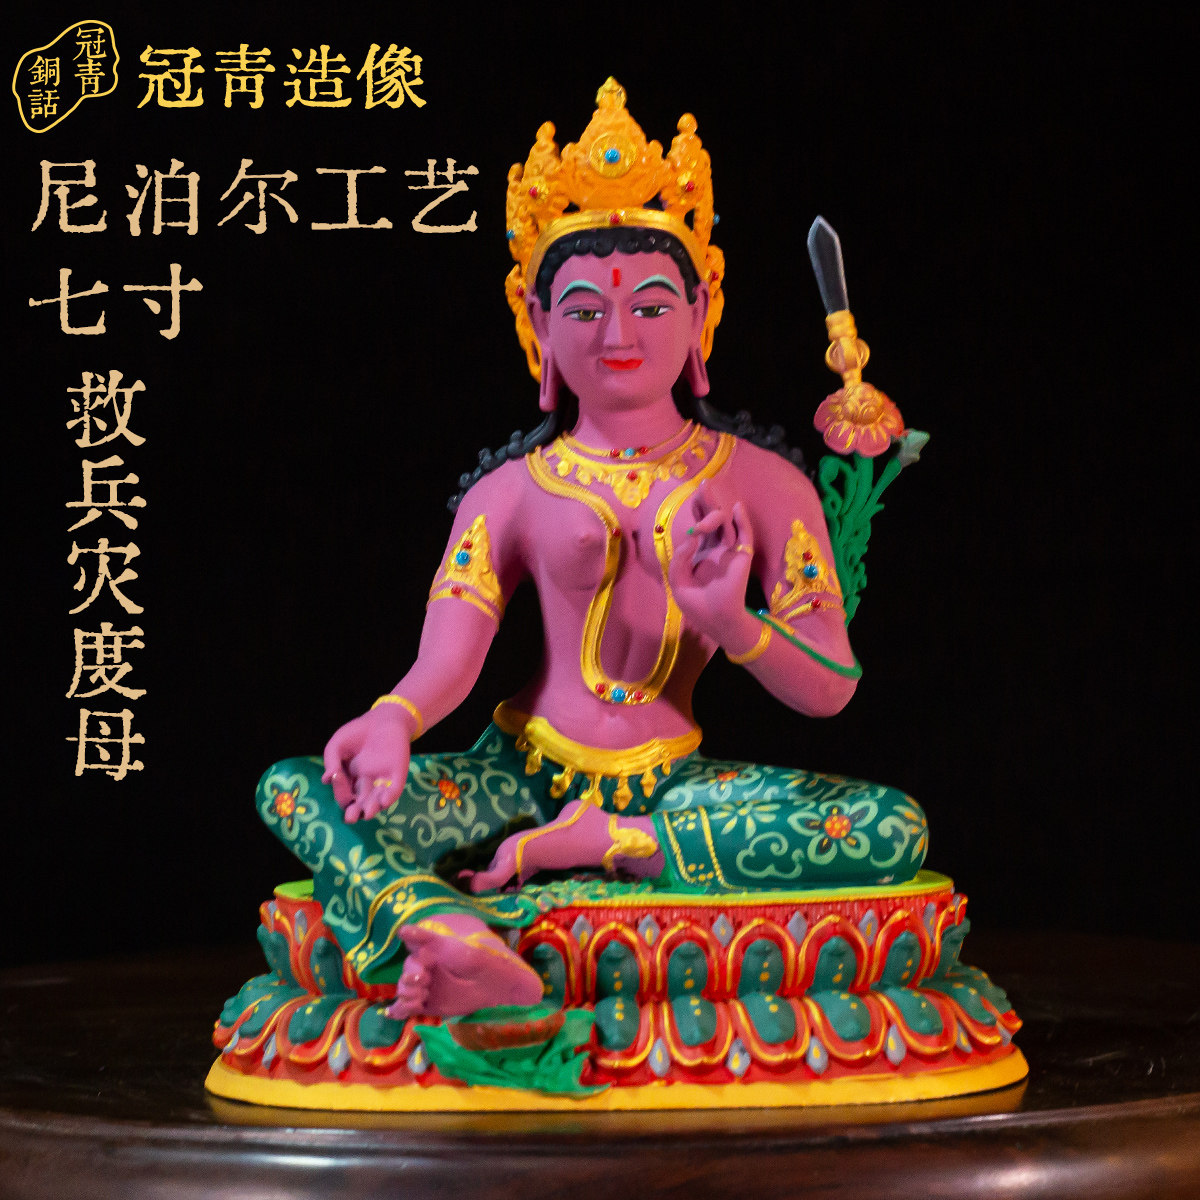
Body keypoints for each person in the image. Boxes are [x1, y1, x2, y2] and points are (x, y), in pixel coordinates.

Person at [256, 80, 927, 1022]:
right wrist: (394, 720)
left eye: (651, 306)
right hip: (514, 779)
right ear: (535, 320)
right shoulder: (509, 493)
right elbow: (449, 660)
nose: (618, 335)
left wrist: (732, 622)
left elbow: (831, 687)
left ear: (702, 310)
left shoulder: (765, 485)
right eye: (581, 311)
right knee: (297, 791)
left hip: (673, 794)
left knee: (889, 827)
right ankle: (448, 933)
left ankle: (602, 848)